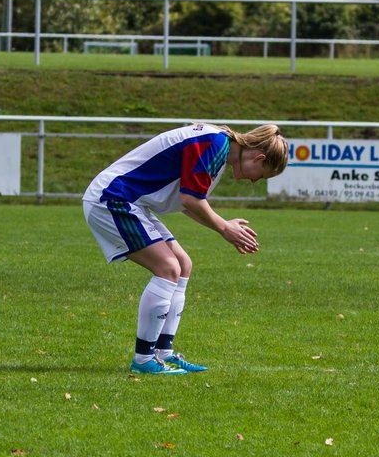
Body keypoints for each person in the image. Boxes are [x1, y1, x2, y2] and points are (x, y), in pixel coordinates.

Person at [83, 123, 289, 375]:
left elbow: (190, 203)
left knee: (183, 266)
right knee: (168, 268)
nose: (255, 180)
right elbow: (190, 199)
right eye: (262, 174)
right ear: (259, 157)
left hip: (130, 200)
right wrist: (225, 228)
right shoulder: (214, 145)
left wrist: (224, 226)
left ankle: (163, 353)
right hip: (112, 198)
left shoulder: (218, 147)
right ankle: (144, 359)